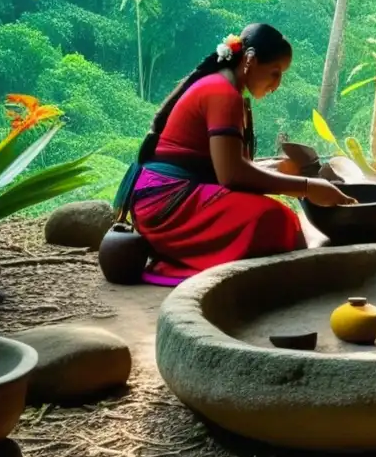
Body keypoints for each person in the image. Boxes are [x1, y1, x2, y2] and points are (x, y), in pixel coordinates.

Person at [115, 23, 355, 283]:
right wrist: (307, 187)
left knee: (274, 218)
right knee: (277, 220)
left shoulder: (225, 89)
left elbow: (230, 166)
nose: (277, 84)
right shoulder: (222, 93)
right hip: (166, 202)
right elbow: (231, 175)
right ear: (249, 59)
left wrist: (280, 171)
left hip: (164, 195)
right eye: (275, 73)